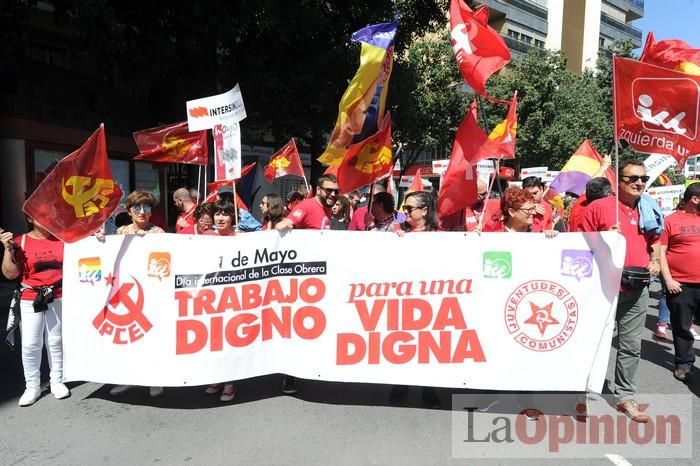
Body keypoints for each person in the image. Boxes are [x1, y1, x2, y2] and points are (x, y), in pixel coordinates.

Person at [580, 160, 661, 423]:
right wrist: (603, 236)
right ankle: (579, 393)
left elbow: (656, 240)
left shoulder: (649, 207)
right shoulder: (599, 207)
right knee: (591, 342)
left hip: (637, 288)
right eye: (633, 178)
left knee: (630, 345)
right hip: (602, 288)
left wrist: (656, 261)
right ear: (619, 181)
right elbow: (577, 244)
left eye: (643, 178)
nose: (639, 183)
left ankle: (625, 396)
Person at [274, 174, 339, 394]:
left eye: (335, 191)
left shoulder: (326, 209)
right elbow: (288, 223)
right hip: (302, 280)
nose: (332, 194)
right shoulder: (308, 205)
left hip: (318, 280)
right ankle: (289, 376)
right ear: (318, 189)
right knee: (295, 326)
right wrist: (284, 225)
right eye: (328, 190)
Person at [1, 220, 70, 406]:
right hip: (31, 297)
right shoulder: (20, 241)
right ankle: (32, 386)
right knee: (31, 343)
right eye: (39, 214)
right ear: (30, 218)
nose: (45, 218)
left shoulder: (63, 240)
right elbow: (10, 274)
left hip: (58, 296)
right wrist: (8, 250)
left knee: (56, 341)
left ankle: (57, 381)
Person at [110, 190, 165, 398]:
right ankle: (128, 379)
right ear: (130, 211)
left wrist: (148, 243)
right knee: (128, 341)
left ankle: (155, 380)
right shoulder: (121, 232)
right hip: (128, 292)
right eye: (138, 208)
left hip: (152, 293)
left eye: (147, 208)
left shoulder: (158, 232)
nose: (143, 212)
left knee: (152, 339)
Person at [391, 191, 441, 408]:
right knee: (402, 340)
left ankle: (428, 387)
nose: (405, 212)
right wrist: (395, 236)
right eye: (405, 208)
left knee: (427, 344)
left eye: (410, 209)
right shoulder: (399, 232)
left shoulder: (441, 236)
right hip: (404, 299)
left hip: (431, 301)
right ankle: (400, 383)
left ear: (425, 211)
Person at [659, 183, 700, 383]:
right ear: (695, 199)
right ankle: (684, 364)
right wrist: (668, 279)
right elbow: (661, 252)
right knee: (682, 327)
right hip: (681, 285)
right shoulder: (670, 221)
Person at [482, 187, 558, 237]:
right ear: (511, 212)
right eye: (528, 210)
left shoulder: (538, 229)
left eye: (534, 208)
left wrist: (549, 238)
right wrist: (474, 238)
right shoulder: (492, 232)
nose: (534, 213)